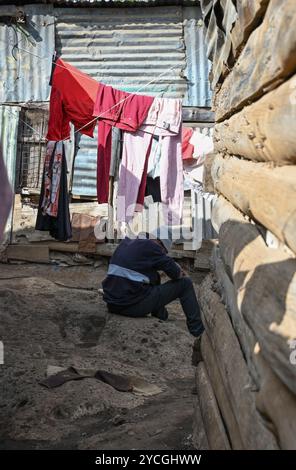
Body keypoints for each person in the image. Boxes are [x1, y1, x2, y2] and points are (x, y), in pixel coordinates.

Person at [102, 228, 204, 338]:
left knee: (153, 277)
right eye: (164, 251)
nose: (163, 254)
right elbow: (176, 274)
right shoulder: (152, 246)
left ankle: (161, 316)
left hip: (112, 304)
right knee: (185, 284)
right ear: (160, 243)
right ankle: (198, 332)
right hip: (130, 306)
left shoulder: (127, 242)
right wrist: (179, 270)